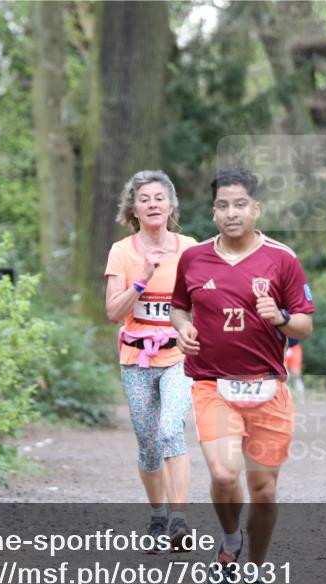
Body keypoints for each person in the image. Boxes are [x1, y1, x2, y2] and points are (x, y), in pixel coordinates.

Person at [170, 166, 314, 584]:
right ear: (213, 212)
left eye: (239, 204)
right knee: (224, 474)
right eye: (222, 206)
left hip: (267, 388)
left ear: (256, 209)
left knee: (265, 493)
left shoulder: (282, 259)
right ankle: (231, 541)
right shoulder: (194, 259)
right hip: (212, 384)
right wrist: (182, 329)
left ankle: (254, 572)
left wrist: (281, 318)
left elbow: (305, 326)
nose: (231, 213)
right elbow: (179, 307)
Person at [104, 170, 198, 553]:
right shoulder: (122, 252)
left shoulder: (190, 249)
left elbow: (204, 300)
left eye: (160, 198)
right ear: (133, 209)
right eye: (144, 199)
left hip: (179, 356)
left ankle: (179, 521)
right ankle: (158, 516)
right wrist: (142, 278)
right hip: (137, 359)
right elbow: (113, 312)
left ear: (171, 205)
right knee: (148, 445)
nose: (153, 204)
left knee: (170, 429)